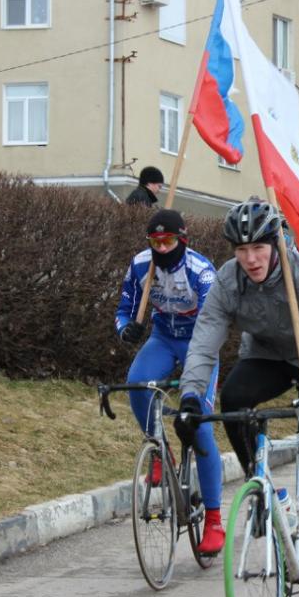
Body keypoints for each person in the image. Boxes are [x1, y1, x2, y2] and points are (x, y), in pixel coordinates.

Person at [174, 201, 299, 597]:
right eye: (241, 250)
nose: (250, 259)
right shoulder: (228, 280)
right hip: (269, 356)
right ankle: (264, 487)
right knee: (233, 400)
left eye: (258, 247)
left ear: (275, 243)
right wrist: (189, 397)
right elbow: (204, 341)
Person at [114, 210, 224, 554]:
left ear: (183, 239)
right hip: (162, 336)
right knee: (137, 383)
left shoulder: (201, 272)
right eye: (155, 242)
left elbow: (213, 323)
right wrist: (126, 330)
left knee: (199, 426)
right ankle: (160, 449)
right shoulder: (140, 265)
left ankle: (214, 519)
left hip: (198, 342)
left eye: (169, 241)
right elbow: (123, 310)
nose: (162, 248)